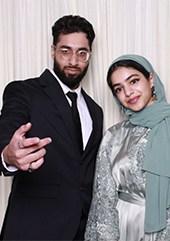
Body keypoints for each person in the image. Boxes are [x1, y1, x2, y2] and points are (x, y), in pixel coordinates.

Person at [0, 15, 103, 241]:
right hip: (33, 229)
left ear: (89, 56)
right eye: (65, 51)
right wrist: (9, 154)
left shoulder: (96, 110)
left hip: (81, 231)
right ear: (53, 51)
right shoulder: (24, 91)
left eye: (81, 53)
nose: (74, 61)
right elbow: (9, 130)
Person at [84, 54, 170, 241]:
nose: (128, 92)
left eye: (134, 81)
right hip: (121, 226)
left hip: (161, 231)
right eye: (119, 89)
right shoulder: (113, 136)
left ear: (151, 79)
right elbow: (103, 200)